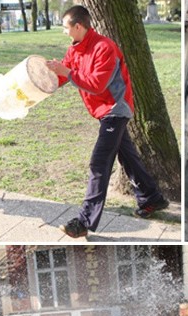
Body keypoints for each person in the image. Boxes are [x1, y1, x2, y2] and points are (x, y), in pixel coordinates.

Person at [46, 5, 169, 239]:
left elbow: (96, 85)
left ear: (78, 26)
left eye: (66, 28)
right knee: (128, 156)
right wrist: (47, 77)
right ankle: (152, 197)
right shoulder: (75, 49)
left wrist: (68, 73)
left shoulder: (104, 48)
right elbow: (65, 76)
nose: (64, 32)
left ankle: (83, 222)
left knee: (99, 163)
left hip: (116, 110)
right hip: (102, 112)